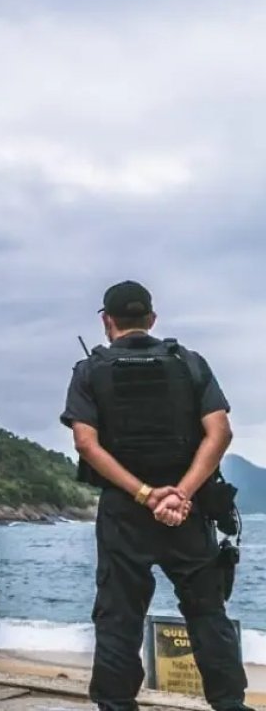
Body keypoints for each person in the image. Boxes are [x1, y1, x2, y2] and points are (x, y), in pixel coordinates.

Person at [61, 280, 251, 711]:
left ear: (107, 322)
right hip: (189, 511)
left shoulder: (89, 371)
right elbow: (220, 432)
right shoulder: (189, 363)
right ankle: (230, 705)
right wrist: (181, 494)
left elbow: (86, 444)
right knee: (207, 614)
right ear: (151, 319)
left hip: (125, 513)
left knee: (118, 619)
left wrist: (146, 494)